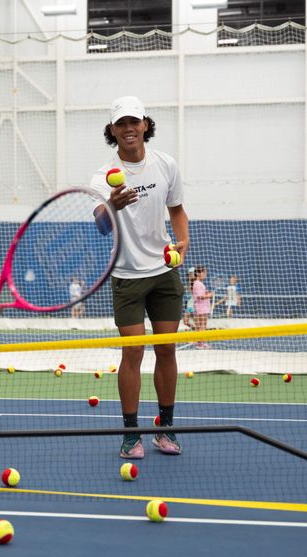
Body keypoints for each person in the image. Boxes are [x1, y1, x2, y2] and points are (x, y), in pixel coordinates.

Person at [90, 96, 190, 458]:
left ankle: (166, 429)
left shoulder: (165, 164)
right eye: (121, 124)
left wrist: (184, 240)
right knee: (133, 353)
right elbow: (101, 226)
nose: (128, 128)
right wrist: (112, 207)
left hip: (164, 271)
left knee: (166, 349)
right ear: (113, 131)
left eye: (134, 121)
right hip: (128, 275)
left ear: (145, 124)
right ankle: (130, 434)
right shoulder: (103, 177)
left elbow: (177, 210)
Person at [192, 265, 213, 346]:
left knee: (202, 325)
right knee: (202, 325)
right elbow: (199, 297)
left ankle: (200, 342)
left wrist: (206, 293)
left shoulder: (199, 283)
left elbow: (200, 295)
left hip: (203, 306)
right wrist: (209, 295)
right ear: (198, 273)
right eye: (204, 272)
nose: (205, 274)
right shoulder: (197, 283)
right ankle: (201, 343)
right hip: (201, 307)